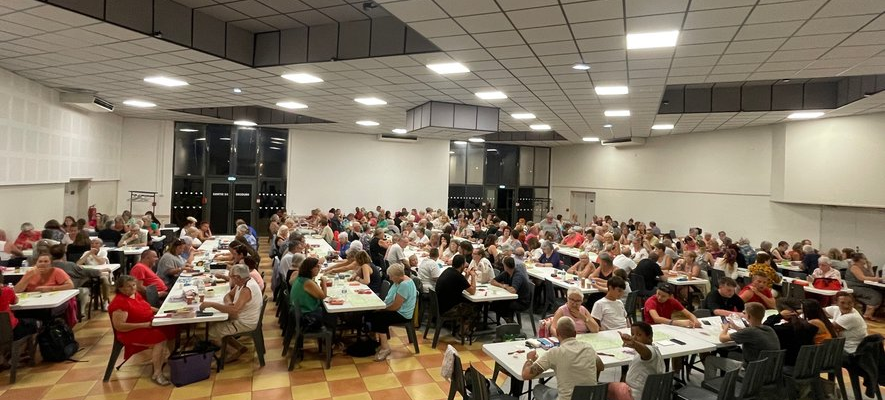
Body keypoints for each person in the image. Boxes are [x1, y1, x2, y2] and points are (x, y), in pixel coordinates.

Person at [108, 275, 177, 386]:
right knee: (159, 337)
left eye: (134, 285)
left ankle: (173, 358)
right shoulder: (119, 303)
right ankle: (157, 373)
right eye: (128, 286)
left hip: (147, 324)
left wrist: (161, 311)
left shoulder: (134, 295)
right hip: (131, 331)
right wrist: (144, 325)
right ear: (120, 288)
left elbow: (147, 307)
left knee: (171, 327)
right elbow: (120, 326)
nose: (133, 288)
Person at [521, 316, 604, 400]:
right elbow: (601, 367)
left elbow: (525, 375)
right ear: (575, 333)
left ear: (557, 333)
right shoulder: (588, 348)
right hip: (589, 397)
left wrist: (530, 359)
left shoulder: (554, 353)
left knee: (538, 388)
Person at [201, 264, 262, 363]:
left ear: (237, 277)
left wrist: (212, 304)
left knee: (210, 333)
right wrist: (229, 304)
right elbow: (228, 295)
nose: (230, 278)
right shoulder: (242, 283)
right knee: (213, 324)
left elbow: (234, 310)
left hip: (244, 322)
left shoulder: (246, 289)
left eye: (231, 276)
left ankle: (233, 351)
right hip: (239, 317)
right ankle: (239, 347)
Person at [704, 302, 780, 379]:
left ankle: (710, 383)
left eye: (744, 313)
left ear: (748, 316)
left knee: (710, 360)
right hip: (769, 372)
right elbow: (747, 332)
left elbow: (722, 338)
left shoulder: (749, 332)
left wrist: (725, 328)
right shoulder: (769, 329)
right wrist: (735, 327)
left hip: (751, 373)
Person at [366, 263, 416, 361]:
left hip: (403, 314)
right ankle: (379, 342)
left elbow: (396, 307)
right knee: (371, 314)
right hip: (398, 310)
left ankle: (385, 348)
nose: (390, 278)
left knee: (379, 318)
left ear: (398, 276)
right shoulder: (400, 280)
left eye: (391, 276)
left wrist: (382, 309)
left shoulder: (404, 285)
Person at [607, 322, 665, 400]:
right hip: (642, 392)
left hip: (636, 395)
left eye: (639, 335)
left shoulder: (651, 351)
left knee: (607, 388)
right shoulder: (650, 349)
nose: (634, 337)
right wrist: (634, 346)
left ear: (649, 338)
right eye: (632, 334)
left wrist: (634, 343)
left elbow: (646, 352)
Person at [764, 298, 817, 367]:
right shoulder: (810, 327)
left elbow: (764, 329)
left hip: (787, 366)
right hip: (807, 366)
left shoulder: (781, 330)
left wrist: (778, 316)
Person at [435, 255, 476, 335]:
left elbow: (462, 282)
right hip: (448, 310)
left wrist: (467, 275)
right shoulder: (457, 276)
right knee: (474, 307)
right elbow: (472, 291)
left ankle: (459, 326)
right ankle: (463, 332)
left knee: (466, 302)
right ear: (462, 265)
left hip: (439, 306)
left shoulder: (448, 271)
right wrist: (473, 276)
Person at [289, 257, 332, 332]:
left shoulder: (300, 277)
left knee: (326, 308)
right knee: (331, 313)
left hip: (298, 312)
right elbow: (323, 296)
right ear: (311, 269)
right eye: (317, 266)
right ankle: (331, 334)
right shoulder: (308, 282)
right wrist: (324, 282)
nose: (319, 268)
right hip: (307, 317)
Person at [489, 257, 531, 323]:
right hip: (513, 298)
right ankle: (505, 320)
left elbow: (513, 290)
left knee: (502, 305)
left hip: (521, 301)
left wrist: (505, 287)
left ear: (505, 266)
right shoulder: (506, 273)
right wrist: (502, 285)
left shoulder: (517, 275)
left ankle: (510, 322)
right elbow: (493, 281)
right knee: (496, 303)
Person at [844, 253, 883, 320]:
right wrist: (878, 279)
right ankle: (867, 314)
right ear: (859, 259)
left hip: (863, 286)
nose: (866, 259)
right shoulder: (854, 267)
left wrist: (869, 267)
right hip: (854, 286)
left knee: (880, 291)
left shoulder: (863, 267)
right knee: (875, 294)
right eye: (864, 258)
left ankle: (869, 311)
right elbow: (862, 278)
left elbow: (871, 276)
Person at [0, 271, 38, 339]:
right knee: (35, 323)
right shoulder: (6, 291)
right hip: (11, 331)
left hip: (4, 331)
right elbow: (15, 301)